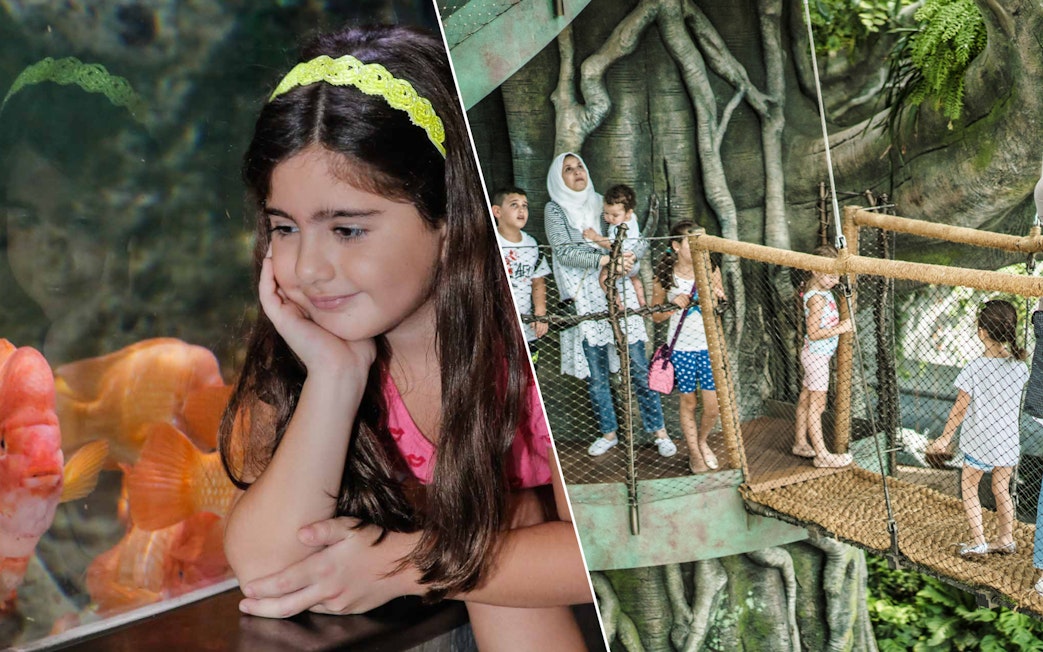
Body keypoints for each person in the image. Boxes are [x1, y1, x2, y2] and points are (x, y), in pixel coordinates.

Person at [218, 26, 590, 650]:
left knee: (510, 515)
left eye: (348, 230)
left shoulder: (529, 356)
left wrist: (406, 562)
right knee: (503, 517)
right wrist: (336, 379)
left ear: (450, 218)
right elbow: (266, 569)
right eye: (284, 228)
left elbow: (597, 552)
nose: (306, 269)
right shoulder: (315, 353)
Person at [544, 152, 675, 458]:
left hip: (619, 290)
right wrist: (605, 259)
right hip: (585, 297)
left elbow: (633, 246)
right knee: (597, 371)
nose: (577, 172)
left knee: (639, 366)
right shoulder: (555, 209)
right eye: (568, 169)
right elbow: (565, 252)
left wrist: (621, 261)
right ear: (557, 178)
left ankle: (659, 432)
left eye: (580, 166)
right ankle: (608, 432)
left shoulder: (604, 203)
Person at [926, 300, 1028, 559]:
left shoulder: (974, 368)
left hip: (980, 440)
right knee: (1001, 489)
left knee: (969, 488)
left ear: (981, 332)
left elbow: (960, 408)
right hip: (1006, 440)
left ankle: (979, 542)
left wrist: (945, 437)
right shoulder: (1020, 367)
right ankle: (1006, 539)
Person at [651, 221, 726, 473]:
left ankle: (702, 441)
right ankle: (694, 453)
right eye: (693, 243)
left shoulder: (710, 268)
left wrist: (717, 297)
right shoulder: (664, 275)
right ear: (676, 245)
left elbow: (721, 306)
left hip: (709, 346)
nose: (700, 248)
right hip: (681, 348)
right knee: (689, 402)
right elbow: (656, 316)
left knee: (713, 406)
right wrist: (674, 305)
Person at [792, 245, 854, 469]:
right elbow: (814, 333)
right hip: (817, 356)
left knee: (806, 400)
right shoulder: (817, 298)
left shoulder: (822, 291)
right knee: (817, 406)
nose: (835, 280)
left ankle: (800, 442)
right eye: (830, 275)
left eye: (837, 275)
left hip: (815, 356)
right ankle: (822, 454)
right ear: (816, 271)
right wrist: (842, 328)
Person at [492, 186, 550, 360]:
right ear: (497, 211)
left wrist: (540, 315)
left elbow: (538, 282)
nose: (521, 210)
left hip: (525, 327)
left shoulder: (533, 245)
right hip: (495, 325)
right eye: (514, 205)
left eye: (525, 205)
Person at [583, 184, 646, 310]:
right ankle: (642, 302)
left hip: (623, 262)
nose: (609, 218)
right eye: (606, 213)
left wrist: (595, 237)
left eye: (615, 215)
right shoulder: (632, 219)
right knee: (635, 279)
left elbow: (611, 244)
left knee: (604, 278)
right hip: (634, 262)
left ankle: (618, 304)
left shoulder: (619, 227)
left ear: (628, 213)